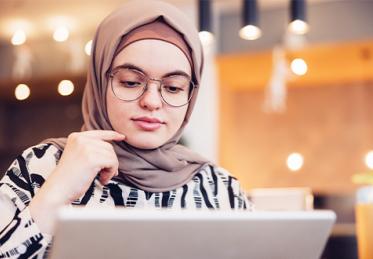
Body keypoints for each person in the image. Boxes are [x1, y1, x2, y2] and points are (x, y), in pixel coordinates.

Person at [0, 1, 251, 258]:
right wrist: (55, 193)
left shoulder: (219, 187)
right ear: (100, 80)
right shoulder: (39, 168)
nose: (152, 102)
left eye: (173, 87)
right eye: (131, 82)